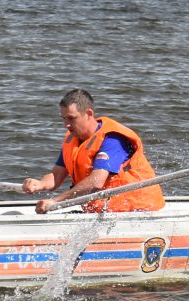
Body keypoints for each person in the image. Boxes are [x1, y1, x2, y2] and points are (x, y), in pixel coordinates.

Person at [19, 89, 164, 214]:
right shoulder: (72, 139)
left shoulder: (113, 139)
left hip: (139, 210)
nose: (66, 125)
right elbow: (57, 175)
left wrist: (55, 201)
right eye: (63, 119)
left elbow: (96, 181)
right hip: (104, 211)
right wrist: (39, 184)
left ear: (89, 113)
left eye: (71, 118)